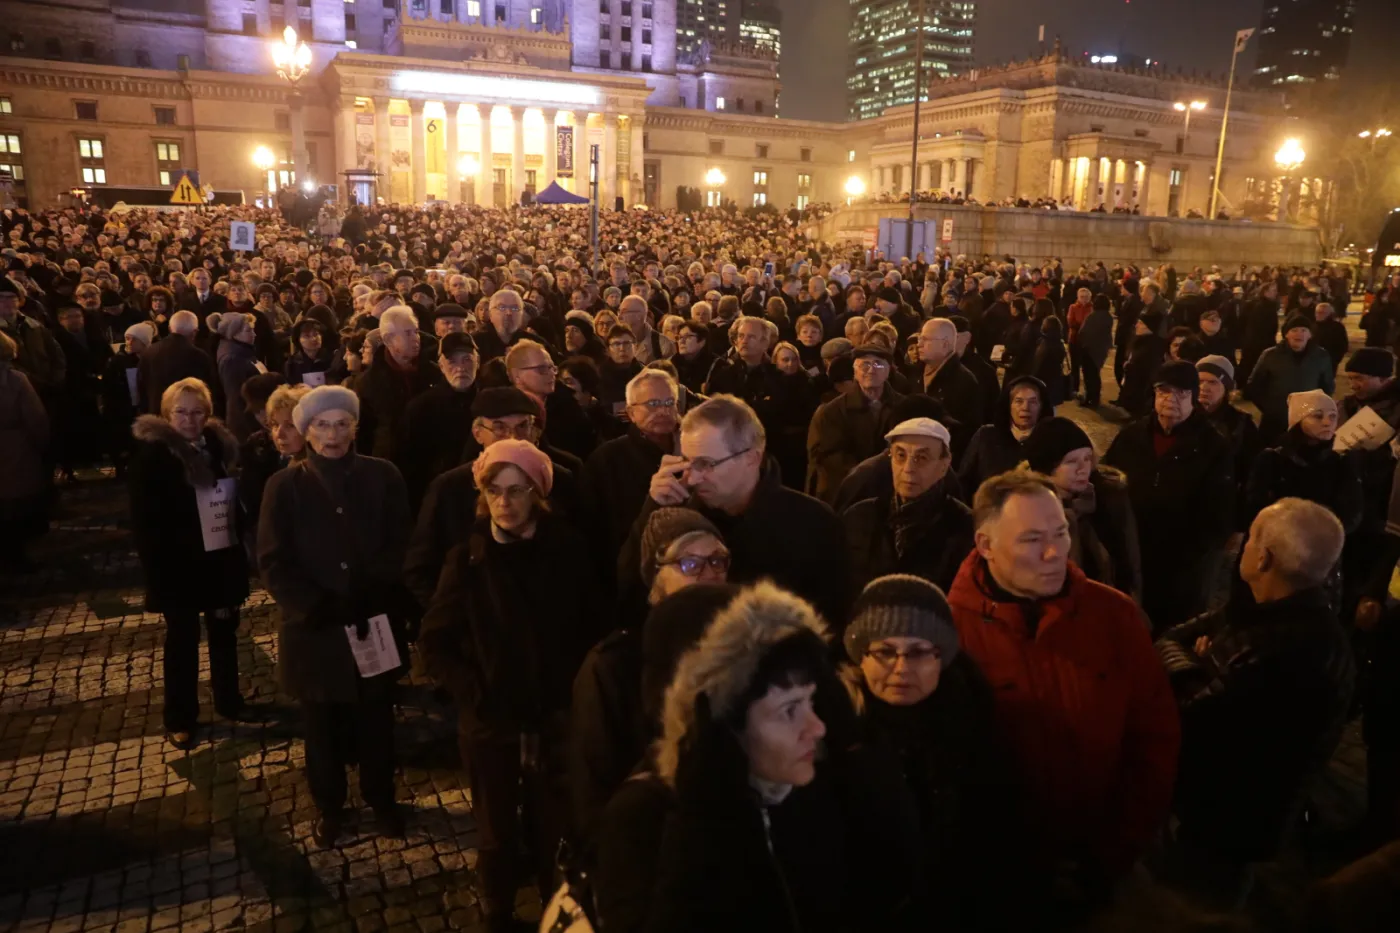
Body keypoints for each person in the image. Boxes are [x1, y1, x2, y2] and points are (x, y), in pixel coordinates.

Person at [592, 581, 923, 933]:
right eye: (789, 709)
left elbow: (890, 888)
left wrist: (856, 748)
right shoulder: (646, 815)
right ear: (723, 719)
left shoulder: (801, 786)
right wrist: (706, 821)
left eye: (811, 700)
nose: (817, 728)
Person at [946, 471, 1179, 912]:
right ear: (985, 545)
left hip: (1106, 862)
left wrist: (1117, 846)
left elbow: (1154, 736)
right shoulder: (950, 634)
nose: (1055, 552)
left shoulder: (1115, 616)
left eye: (1060, 532)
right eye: (1032, 539)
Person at [418, 440, 606, 933]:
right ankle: (497, 910)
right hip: (491, 723)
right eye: (493, 491)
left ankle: (558, 908)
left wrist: (573, 694)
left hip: (555, 718)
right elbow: (434, 642)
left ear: (536, 494)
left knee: (556, 829)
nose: (504, 501)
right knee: (496, 831)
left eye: (516, 490)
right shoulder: (468, 560)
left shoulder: (568, 550)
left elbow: (593, 627)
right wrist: (474, 692)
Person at [1157, 499, 1354, 881]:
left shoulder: (1285, 652)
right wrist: (1200, 664)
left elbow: (1187, 715)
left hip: (1228, 820)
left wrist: (1198, 663)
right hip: (1229, 807)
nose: (1241, 546)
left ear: (1263, 559)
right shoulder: (1266, 609)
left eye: (1249, 539)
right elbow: (1172, 637)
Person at [257, 385, 414, 848]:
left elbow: (401, 541)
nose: (332, 433)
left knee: (377, 721)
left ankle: (381, 798)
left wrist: (372, 593)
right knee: (321, 728)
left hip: (373, 621)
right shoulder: (284, 486)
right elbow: (272, 560)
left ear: (355, 428)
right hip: (316, 631)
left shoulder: (384, 475)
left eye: (342, 423)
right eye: (322, 424)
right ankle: (330, 805)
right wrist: (319, 605)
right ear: (306, 432)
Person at [842, 574, 1020, 930]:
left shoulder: (973, 724)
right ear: (860, 656)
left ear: (943, 656)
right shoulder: (828, 734)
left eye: (920, 652)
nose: (902, 668)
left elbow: (998, 845)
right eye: (884, 651)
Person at [569, 513, 733, 852]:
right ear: (656, 577)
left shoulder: (741, 651)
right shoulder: (614, 666)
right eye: (690, 563)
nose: (710, 573)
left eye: (718, 560)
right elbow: (595, 789)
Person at [624, 394, 849, 629]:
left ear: (752, 458)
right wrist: (653, 511)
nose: (691, 477)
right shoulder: (679, 515)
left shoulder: (815, 524)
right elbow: (630, 598)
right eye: (687, 462)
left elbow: (828, 626)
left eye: (706, 464)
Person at [129, 378, 260, 749]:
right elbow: (144, 526)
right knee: (182, 643)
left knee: (224, 636)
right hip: (178, 567)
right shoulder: (152, 457)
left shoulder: (219, 447)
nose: (189, 419)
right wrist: (158, 577)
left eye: (197, 411)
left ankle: (230, 701)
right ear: (167, 414)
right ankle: (180, 717)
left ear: (208, 413)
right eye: (181, 412)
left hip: (218, 558)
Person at [1104, 360, 1235, 631]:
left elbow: (1218, 513)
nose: (1170, 400)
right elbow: (1109, 485)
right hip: (1133, 554)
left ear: (1193, 398)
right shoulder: (1131, 436)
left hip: (1182, 567)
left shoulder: (1213, 446)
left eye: (1181, 393)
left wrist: (1193, 556)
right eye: (1163, 392)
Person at [842, 417, 972, 593]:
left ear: (944, 466)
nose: (908, 468)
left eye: (922, 458)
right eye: (900, 456)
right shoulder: (859, 517)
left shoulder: (965, 526)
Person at [1022, 417, 1142, 601]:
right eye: (1071, 462)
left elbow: (1130, 562)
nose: (1082, 468)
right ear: (1047, 468)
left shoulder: (1108, 498)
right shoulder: (1026, 508)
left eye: (1087, 458)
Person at [579, 368, 681, 566]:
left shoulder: (693, 451)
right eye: (653, 404)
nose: (663, 411)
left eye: (669, 403)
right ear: (631, 412)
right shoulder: (606, 460)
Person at [1244, 390, 1363, 545]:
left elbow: (1351, 512)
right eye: (1317, 416)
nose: (1327, 422)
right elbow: (1254, 506)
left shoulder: (1341, 462)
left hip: (1320, 547)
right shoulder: (1272, 459)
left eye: (1333, 416)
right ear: (1298, 420)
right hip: (1275, 544)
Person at [805, 344, 905, 504]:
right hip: (848, 491)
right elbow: (830, 455)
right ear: (855, 372)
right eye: (864, 364)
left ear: (888, 371)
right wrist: (865, 476)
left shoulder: (904, 407)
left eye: (878, 364)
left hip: (894, 489)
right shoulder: (833, 411)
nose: (871, 370)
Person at [399, 332, 479, 511]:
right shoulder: (421, 408)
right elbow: (410, 467)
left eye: (467, 359)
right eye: (452, 362)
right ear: (441, 366)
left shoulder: (488, 405)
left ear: (478, 362)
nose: (461, 368)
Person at [355, 305, 443, 464]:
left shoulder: (435, 374)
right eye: (408, 333)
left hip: (432, 461)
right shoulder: (369, 383)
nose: (416, 338)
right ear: (388, 339)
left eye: (416, 331)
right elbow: (364, 435)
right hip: (390, 465)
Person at [238, 383, 310, 557]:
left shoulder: (311, 471)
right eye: (274, 425)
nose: (279, 434)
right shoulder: (271, 459)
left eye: (290, 426)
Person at [0, 331, 50, 572]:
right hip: (15, 446)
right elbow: (35, 418)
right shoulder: (16, 380)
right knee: (15, 504)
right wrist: (42, 444)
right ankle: (16, 555)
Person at [1245, 314, 1335, 443]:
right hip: (1275, 420)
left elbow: (1328, 386)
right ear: (1286, 334)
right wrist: (1269, 408)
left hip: (1307, 419)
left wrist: (1317, 410)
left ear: (1310, 335)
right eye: (1294, 330)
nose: (1299, 334)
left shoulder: (1321, 356)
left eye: (1304, 330)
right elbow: (1254, 385)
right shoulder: (1270, 355)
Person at [958, 375, 1051, 495]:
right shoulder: (986, 436)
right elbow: (963, 481)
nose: (1025, 408)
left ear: (1041, 407)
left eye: (1033, 402)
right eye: (1018, 401)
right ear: (1009, 405)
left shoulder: (1050, 440)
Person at [1195, 355, 1261, 525]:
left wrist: (1241, 522)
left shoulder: (1242, 424)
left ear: (1227, 388)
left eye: (1213, 382)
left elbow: (1251, 477)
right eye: (1200, 381)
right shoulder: (1182, 417)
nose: (1204, 388)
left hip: (1221, 509)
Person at [138, 309, 217, 416]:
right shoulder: (199, 356)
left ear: (170, 328)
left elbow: (141, 386)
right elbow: (207, 392)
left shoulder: (149, 351)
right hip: (186, 417)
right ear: (194, 332)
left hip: (155, 414)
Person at [101, 321, 155, 477]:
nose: (128, 342)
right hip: (122, 409)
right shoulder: (117, 361)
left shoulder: (151, 359)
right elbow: (109, 388)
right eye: (127, 338)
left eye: (133, 339)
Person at [916, 317, 983, 436]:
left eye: (925, 339)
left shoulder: (963, 381)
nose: (919, 344)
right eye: (919, 338)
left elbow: (965, 431)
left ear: (945, 344)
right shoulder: (916, 373)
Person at [205, 311, 263, 441]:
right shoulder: (232, 359)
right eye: (249, 331)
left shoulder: (242, 351)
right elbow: (236, 398)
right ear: (234, 333)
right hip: (246, 425)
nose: (254, 334)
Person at [1075, 294, 1114, 407]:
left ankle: (1090, 398)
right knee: (1095, 374)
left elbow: (1083, 332)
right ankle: (1095, 398)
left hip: (1089, 349)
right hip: (1101, 349)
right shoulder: (1108, 317)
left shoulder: (1093, 316)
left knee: (1089, 376)